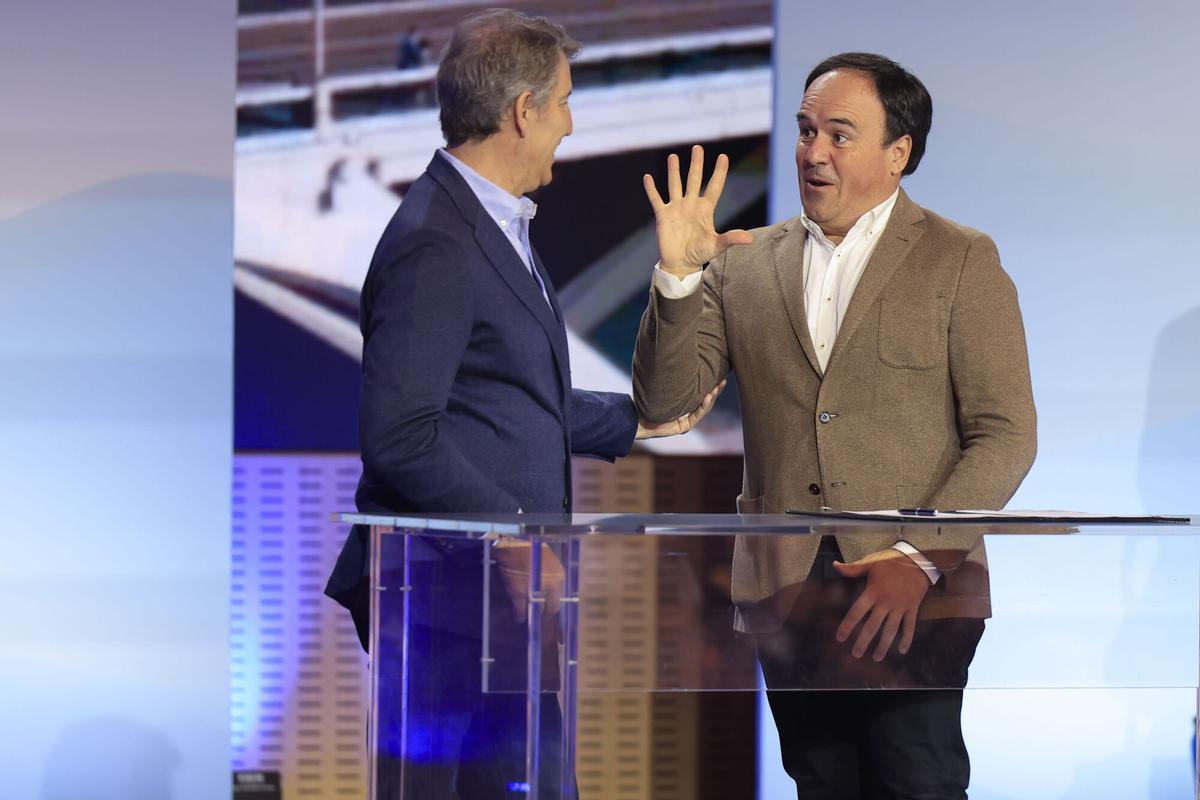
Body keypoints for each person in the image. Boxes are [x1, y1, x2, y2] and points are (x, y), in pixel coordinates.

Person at [326, 9, 720, 799]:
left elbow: (499, 396)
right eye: (565, 102)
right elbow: (402, 436)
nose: (571, 125)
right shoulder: (436, 240)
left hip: (490, 615)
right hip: (448, 610)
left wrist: (634, 419)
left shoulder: (489, 224)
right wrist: (510, 537)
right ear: (523, 111)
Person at [633, 52, 1037, 799]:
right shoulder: (744, 264)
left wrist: (917, 557)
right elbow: (663, 406)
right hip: (787, 590)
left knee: (919, 783)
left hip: (917, 591)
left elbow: (1007, 433)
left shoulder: (960, 260)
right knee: (821, 786)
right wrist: (680, 280)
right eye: (805, 130)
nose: (813, 152)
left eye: (839, 135)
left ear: (898, 153)